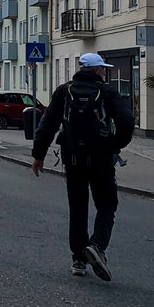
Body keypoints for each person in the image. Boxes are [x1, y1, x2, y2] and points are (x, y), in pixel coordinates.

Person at [32, 53, 134, 281]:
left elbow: (47, 124)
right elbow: (127, 122)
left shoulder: (64, 91)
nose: (104, 72)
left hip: (73, 159)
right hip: (101, 160)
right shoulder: (107, 92)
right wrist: (115, 145)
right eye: (102, 68)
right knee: (107, 205)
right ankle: (97, 246)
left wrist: (38, 155)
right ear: (97, 70)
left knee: (78, 208)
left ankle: (78, 259)